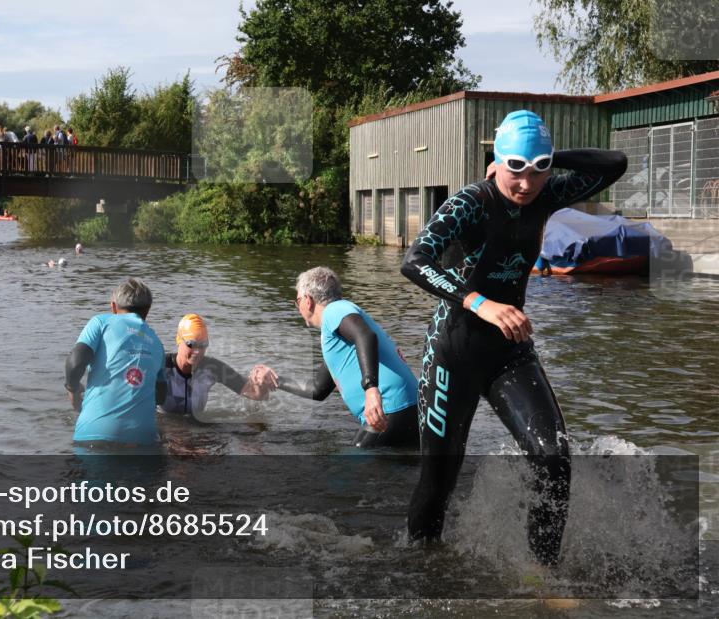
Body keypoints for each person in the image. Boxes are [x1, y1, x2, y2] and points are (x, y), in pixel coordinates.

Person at [400, 110, 628, 566]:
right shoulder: (471, 202)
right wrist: (479, 302)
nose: (526, 184)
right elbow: (415, 260)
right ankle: (420, 571)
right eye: (514, 169)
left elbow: (614, 163)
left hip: (509, 353)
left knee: (553, 460)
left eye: (537, 170)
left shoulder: (545, 194)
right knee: (439, 479)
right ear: (495, 164)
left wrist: (542, 156)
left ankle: (540, 579)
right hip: (454, 351)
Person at [291, 267, 419, 448]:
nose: (298, 308)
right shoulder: (337, 336)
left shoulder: (335, 310)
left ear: (308, 300)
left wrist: (371, 389)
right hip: (407, 405)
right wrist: (276, 381)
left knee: (350, 470)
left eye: (297, 301)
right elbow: (318, 389)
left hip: (391, 405)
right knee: (393, 472)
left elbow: (365, 336)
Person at [65, 278, 166, 447]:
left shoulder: (101, 322)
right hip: (143, 442)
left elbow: (75, 362)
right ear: (147, 311)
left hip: (94, 437)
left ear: (113, 307)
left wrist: (73, 390)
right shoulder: (157, 343)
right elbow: (161, 395)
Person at [158, 314, 278, 419]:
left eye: (203, 345)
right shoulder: (160, 366)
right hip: (167, 427)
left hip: (197, 430)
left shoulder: (211, 368)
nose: (197, 351)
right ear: (179, 340)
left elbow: (255, 394)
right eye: (191, 344)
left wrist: (260, 377)